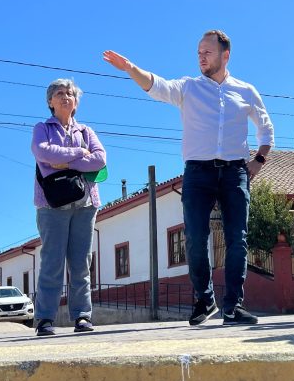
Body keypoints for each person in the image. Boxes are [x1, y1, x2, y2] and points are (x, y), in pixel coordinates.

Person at [103, 30, 274, 326]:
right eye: (198, 52)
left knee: (237, 239)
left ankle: (233, 306)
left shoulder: (246, 91)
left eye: (207, 51)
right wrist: (131, 69)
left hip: (235, 172)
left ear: (225, 55)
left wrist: (259, 160)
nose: (201, 57)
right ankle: (205, 300)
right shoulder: (188, 88)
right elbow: (157, 86)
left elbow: (266, 128)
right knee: (195, 237)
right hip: (198, 172)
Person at [31, 78, 107, 336]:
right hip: (51, 206)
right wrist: (79, 156)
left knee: (81, 263)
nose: (65, 97)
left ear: (76, 103)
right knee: (52, 262)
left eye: (70, 94)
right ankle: (44, 319)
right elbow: (43, 153)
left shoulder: (86, 131)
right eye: (60, 93)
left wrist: (64, 162)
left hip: (85, 204)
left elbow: (99, 160)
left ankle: (82, 316)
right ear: (50, 102)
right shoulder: (42, 128)